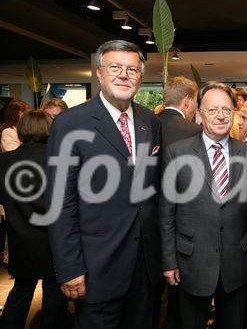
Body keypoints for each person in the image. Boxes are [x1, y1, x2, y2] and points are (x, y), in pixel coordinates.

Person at [46, 40, 163, 329]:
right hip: (96, 268)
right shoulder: (71, 123)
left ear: (140, 77)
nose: (124, 74)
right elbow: (60, 201)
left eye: (132, 69)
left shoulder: (151, 122)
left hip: (145, 268)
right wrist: (70, 267)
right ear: (99, 73)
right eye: (115, 67)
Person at [160, 81, 247, 329]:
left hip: (236, 263)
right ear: (200, 113)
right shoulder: (177, 153)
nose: (221, 116)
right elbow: (166, 213)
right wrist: (169, 260)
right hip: (191, 262)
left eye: (226, 109)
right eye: (213, 110)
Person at [0, 110, 68, 329]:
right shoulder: (61, 161)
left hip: (20, 238)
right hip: (54, 241)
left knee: (21, 290)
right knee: (54, 293)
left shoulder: (4, 161)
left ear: (21, 131)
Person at [157, 76, 202, 329]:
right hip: (184, 225)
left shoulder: (145, 126)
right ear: (188, 101)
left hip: (146, 223)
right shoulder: (195, 133)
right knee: (180, 298)